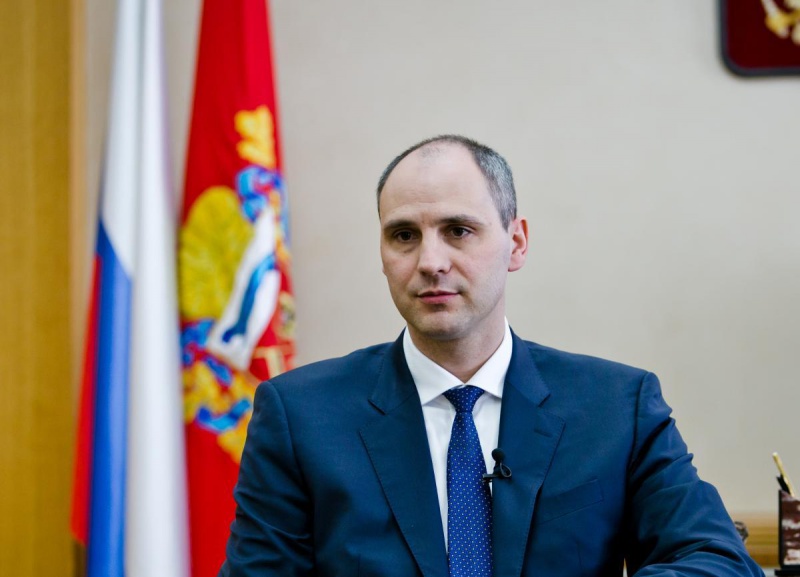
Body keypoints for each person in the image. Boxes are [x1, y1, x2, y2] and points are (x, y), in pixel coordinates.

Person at [219, 135, 763, 576]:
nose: (430, 261)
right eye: (404, 235)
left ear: (516, 243)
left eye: (458, 231)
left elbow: (716, 560)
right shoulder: (300, 416)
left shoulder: (617, 406)